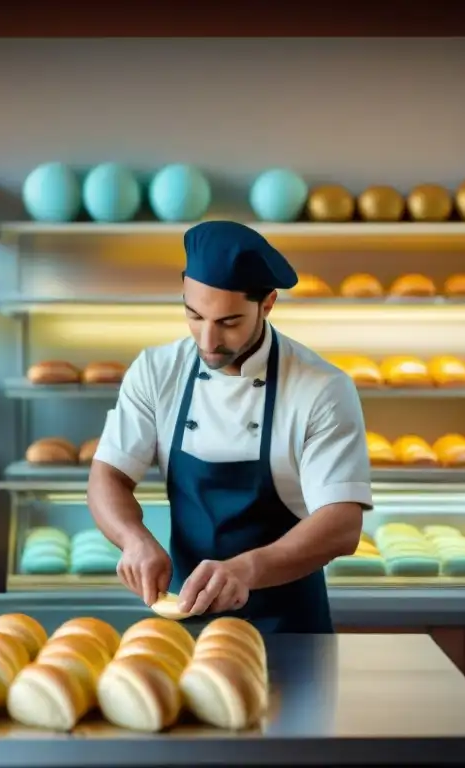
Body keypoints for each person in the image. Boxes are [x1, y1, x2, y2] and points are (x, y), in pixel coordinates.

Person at [87, 220, 372, 633]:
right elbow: (107, 475)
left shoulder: (321, 388)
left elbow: (342, 524)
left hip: (289, 626)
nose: (207, 339)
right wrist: (133, 539)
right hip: (187, 617)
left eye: (229, 322)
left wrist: (247, 569)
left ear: (268, 304)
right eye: (194, 315)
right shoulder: (155, 371)